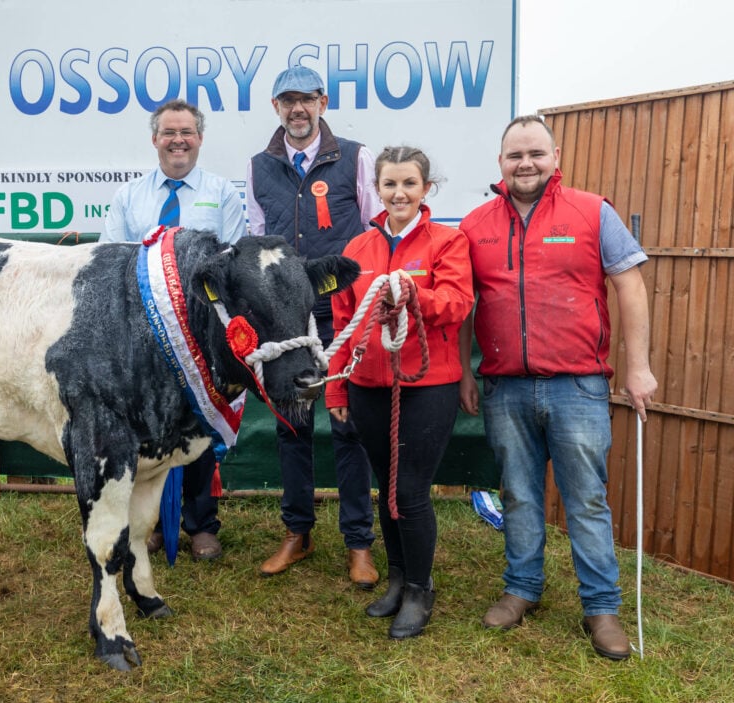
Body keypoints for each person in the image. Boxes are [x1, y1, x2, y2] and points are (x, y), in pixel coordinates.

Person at [458, 115, 657, 660]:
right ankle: (522, 589)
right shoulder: (476, 225)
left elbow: (630, 286)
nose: (526, 164)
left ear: (555, 155)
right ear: (500, 161)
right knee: (519, 496)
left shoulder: (593, 213)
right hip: (505, 389)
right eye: (515, 155)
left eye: (536, 154)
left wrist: (637, 367)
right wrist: (462, 370)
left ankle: (602, 608)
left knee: (586, 501)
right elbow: (464, 305)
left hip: (578, 386)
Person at [327, 146, 473, 638]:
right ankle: (396, 578)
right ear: (378, 189)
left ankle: (419, 589)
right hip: (368, 385)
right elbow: (343, 323)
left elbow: (456, 304)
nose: (399, 193)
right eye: (390, 184)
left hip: (426, 387)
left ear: (425, 189)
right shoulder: (357, 249)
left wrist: (416, 294)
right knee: (384, 489)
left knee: (408, 492)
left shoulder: (448, 242)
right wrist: (336, 393)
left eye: (409, 183)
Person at [246, 65, 383, 588]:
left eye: (306, 99)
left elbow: (373, 232)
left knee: (349, 428)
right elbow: (259, 244)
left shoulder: (354, 156)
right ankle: (297, 532)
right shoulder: (260, 166)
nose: (297, 109)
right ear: (275, 107)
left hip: (343, 314)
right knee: (292, 426)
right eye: (287, 101)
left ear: (322, 102)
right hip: (287, 320)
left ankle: (358, 543)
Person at [102, 99, 246, 560]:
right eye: (169, 132)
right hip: (142, 338)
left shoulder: (223, 194)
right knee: (146, 430)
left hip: (199, 339)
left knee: (197, 425)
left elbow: (232, 263)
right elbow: (111, 261)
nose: (177, 140)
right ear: (155, 139)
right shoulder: (129, 198)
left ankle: (201, 524)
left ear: (200, 138)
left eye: (186, 131)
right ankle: (151, 523)